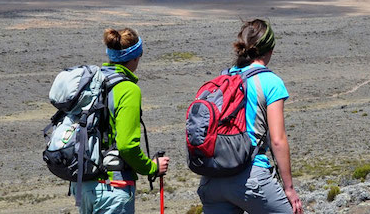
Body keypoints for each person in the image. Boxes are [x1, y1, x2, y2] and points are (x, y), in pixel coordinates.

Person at [197, 19, 303, 214]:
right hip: (251, 176)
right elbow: (277, 140)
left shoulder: (224, 79)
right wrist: (289, 188)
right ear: (270, 49)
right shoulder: (270, 82)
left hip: (212, 179)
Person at [77, 27, 171, 214]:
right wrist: (152, 168)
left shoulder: (93, 82)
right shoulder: (128, 89)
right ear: (136, 56)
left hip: (85, 184)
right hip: (113, 187)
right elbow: (127, 145)